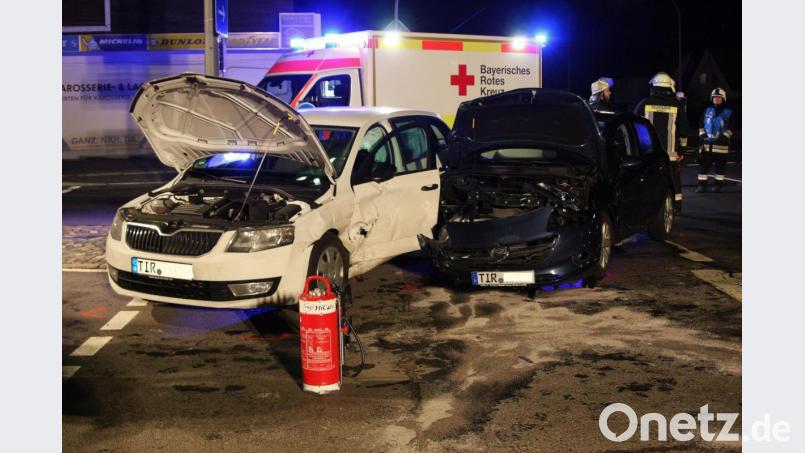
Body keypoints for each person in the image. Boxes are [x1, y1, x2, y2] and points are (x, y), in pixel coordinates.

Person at [634, 72, 689, 201]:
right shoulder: (677, 105)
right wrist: (682, 150)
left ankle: (650, 205)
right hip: (670, 154)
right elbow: (684, 130)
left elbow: (634, 125)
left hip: (648, 153)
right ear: (670, 87)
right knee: (673, 180)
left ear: (653, 87)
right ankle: (676, 206)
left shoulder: (644, 103)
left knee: (649, 179)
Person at [696, 87, 734, 193]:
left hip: (721, 146)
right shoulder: (707, 110)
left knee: (720, 168)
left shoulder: (729, 112)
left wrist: (724, 138)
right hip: (707, 145)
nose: (716, 99)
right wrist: (702, 136)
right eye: (715, 97)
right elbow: (700, 125)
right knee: (703, 167)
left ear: (723, 99)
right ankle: (701, 186)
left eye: (719, 97)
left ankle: (717, 186)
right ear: (712, 99)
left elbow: (731, 128)